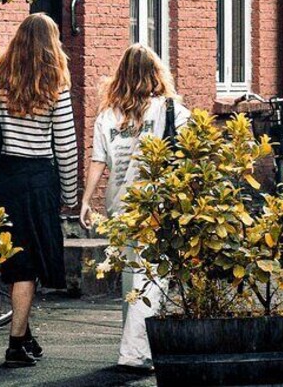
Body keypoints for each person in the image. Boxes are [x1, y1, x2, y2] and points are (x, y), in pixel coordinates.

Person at [79, 43, 190, 373]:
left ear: (122, 76)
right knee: (151, 276)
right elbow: (189, 152)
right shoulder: (170, 110)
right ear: (157, 74)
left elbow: (99, 161)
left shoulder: (107, 116)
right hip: (155, 204)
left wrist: (86, 200)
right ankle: (134, 353)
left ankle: (137, 348)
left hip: (120, 206)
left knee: (133, 276)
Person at [0, 13, 78, 368]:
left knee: (15, 258)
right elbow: (65, 143)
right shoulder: (55, 83)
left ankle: (24, 334)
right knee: (28, 264)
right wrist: (70, 193)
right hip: (37, 179)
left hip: (3, 178)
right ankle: (14, 345)